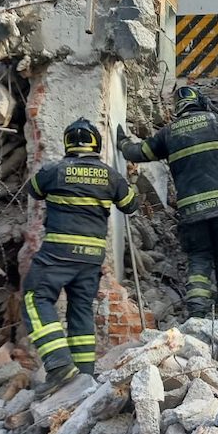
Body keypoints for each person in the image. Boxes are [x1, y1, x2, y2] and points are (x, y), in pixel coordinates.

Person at [23, 119, 139, 395]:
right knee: (80, 310)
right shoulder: (109, 175)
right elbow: (130, 205)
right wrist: (130, 179)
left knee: (35, 298)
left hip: (57, 253)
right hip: (91, 258)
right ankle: (84, 376)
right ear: (95, 144)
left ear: (67, 143)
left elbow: (33, 189)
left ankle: (59, 365)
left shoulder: (55, 170)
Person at [118, 86, 218, 318]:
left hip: (193, 210)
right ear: (200, 101)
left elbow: (137, 152)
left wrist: (121, 140)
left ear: (177, 107)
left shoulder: (168, 133)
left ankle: (198, 310)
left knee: (199, 257)